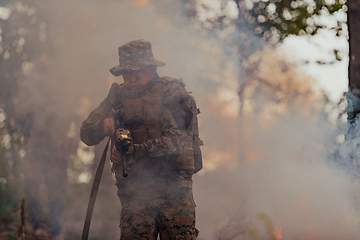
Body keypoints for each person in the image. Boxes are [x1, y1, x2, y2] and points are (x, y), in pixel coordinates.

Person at [80, 39, 203, 239]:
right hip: (136, 193)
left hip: (174, 190)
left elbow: (176, 142)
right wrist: (102, 126)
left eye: (137, 70)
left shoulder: (173, 93)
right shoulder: (116, 97)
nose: (132, 77)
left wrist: (133, 151)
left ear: (152, 68)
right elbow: (85, 133)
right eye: (126, 72)